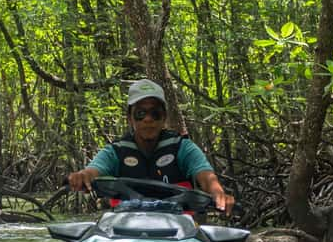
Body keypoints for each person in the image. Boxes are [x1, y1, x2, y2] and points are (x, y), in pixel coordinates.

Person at [67, 78, 235, 215]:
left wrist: (218, 193)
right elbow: (93, 169)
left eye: (155, 113)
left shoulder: (182, 147)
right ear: (130, 118)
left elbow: (205, 176)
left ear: (164, 118)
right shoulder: (115, 151)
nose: (148, 119)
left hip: (179, 230)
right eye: (140, 113)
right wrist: (82, 176)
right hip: (125, 229)